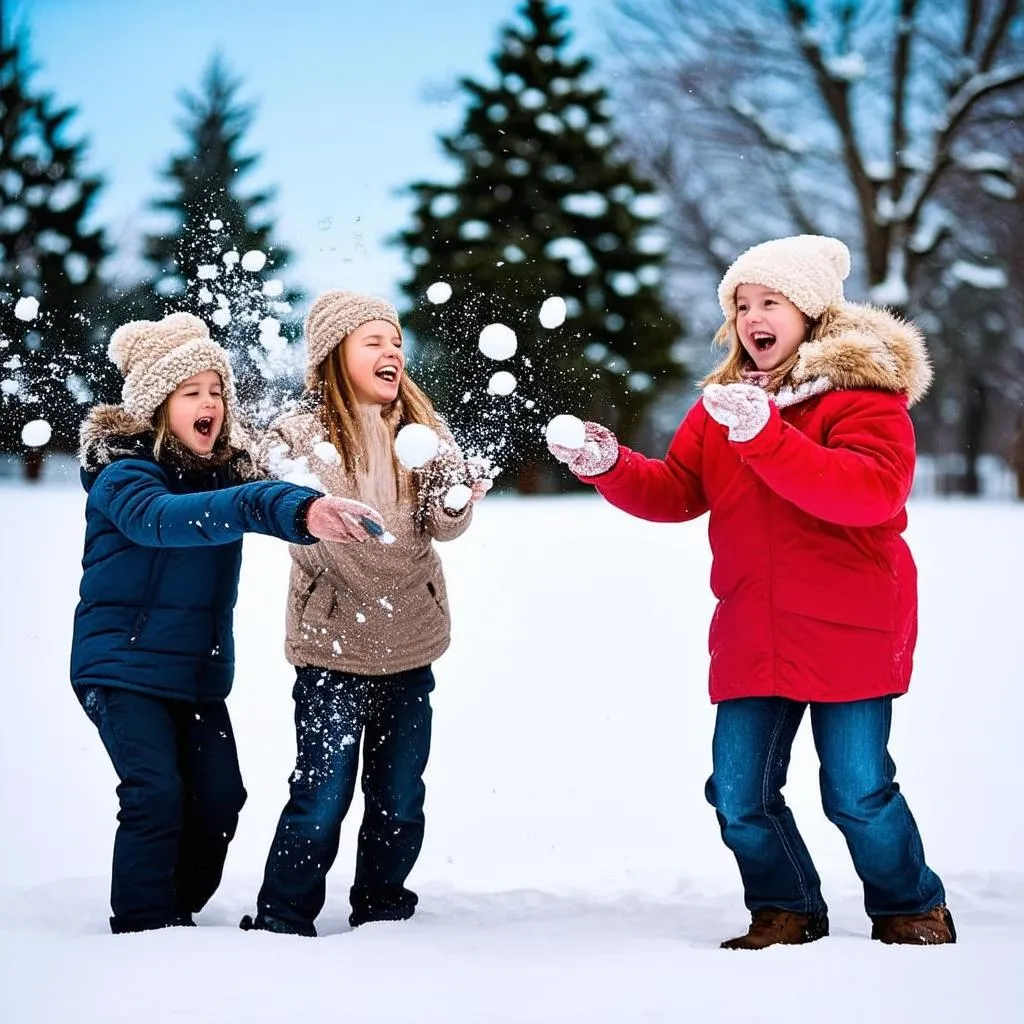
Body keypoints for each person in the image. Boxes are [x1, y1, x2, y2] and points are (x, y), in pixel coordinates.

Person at [548, 235, 955, 949]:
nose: (752, 317)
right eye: (741, 305)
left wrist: (768, 437)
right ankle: (786, 907)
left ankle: (910, 904)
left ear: (809, 312)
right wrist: (609, 464)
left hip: (850, 625)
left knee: (857, 791)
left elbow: (868, 493)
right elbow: (677, 491)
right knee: (738, 795)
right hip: (755, 625)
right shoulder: (724, 407)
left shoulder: (863, 398)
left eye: (769, 302)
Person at [72, 312, 384, 934]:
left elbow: (271, 493)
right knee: (154, 793)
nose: (208, 402)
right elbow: (161, 520)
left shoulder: (227, 469)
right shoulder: (124, 473)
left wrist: (310, 508)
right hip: (120, 668)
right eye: (191, 392)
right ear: (159, 405)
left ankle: (176, 908)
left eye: (216, 390)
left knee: (219, 800)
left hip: (194, 676)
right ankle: (143, 925)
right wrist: (253, 503)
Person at [240, 290, 489, 937]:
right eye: (373, 341)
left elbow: (442, 522)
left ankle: (382, 908)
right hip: (332, 647)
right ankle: (283, 916)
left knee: (400, 798)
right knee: (321, 797)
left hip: (409, 638)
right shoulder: (299, 433)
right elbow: (276, 497)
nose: (392, 353)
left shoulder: (423, 432)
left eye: (396, 343)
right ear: (333, 354)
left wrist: (459, 498)